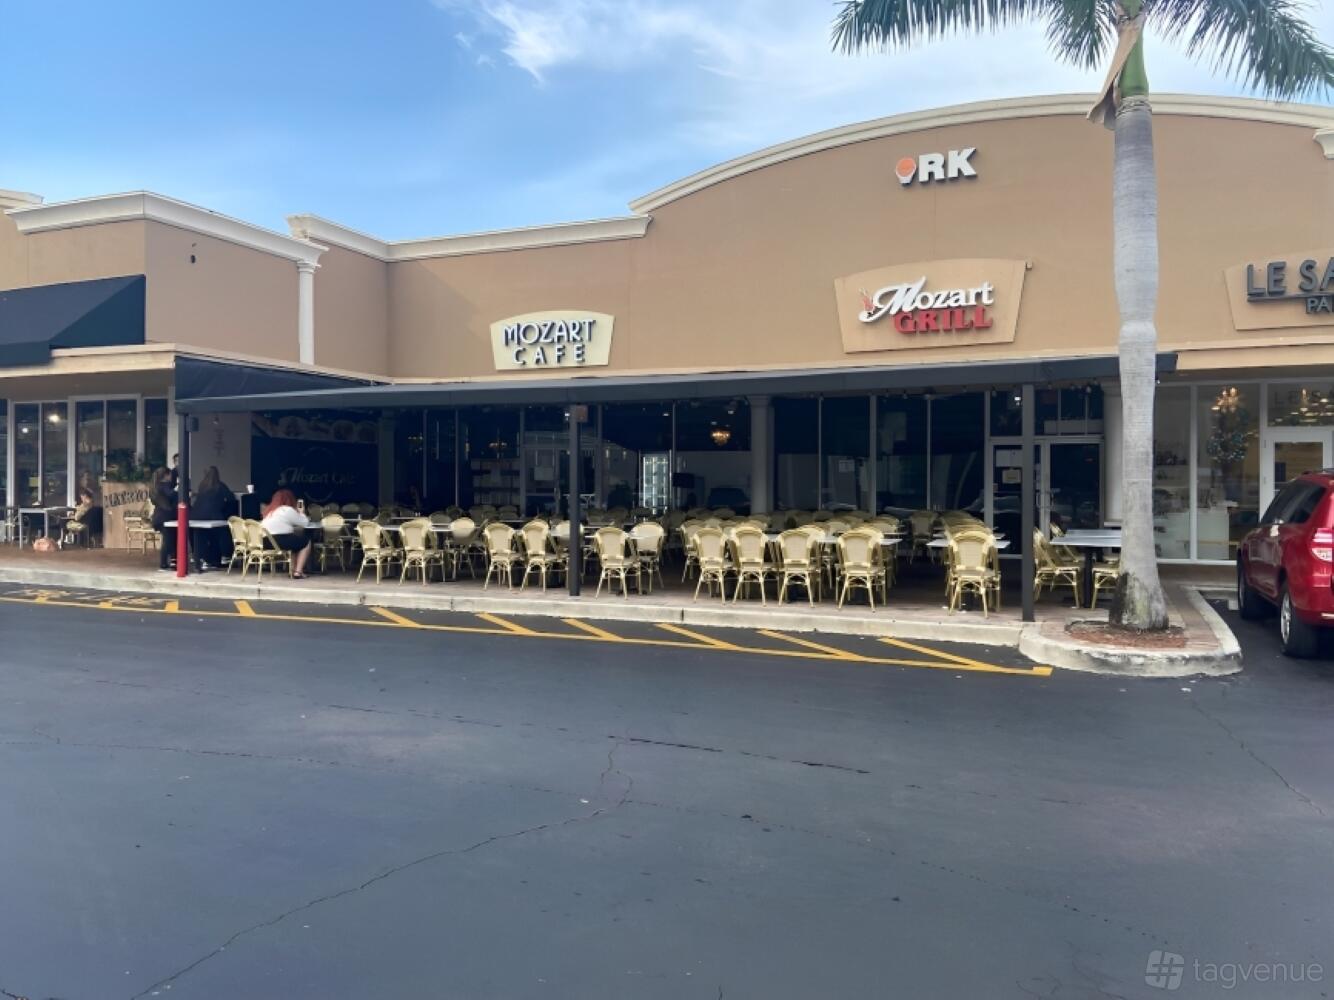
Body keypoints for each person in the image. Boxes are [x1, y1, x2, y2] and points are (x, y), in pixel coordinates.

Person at [261, 488, 312, 578]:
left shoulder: (270, 511)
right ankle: (298, 572)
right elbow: (304, 523)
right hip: (279, 540)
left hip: (265, 541)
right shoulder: (287, 510)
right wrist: (301, 513)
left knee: (294, 542)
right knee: (306, 542)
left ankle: (292, 570)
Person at [191, 466, 232, 570]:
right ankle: (217, 559)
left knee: (202, 537)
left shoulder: (202, 485)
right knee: (217, 537)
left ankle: (204, 559)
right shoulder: (220, 486)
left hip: (198, 515)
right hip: (213, 515)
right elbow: (231, 497)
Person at [150, 467, 177, 571]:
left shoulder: (155, 487)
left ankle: (167, 562)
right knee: (168, 541)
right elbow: (171, 494)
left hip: (159, 517)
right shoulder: (164, 486)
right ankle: (163, 564)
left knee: (168, 540)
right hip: (165, 517)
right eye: (170, 474)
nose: (171, 477)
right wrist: (178, 489)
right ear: (166, 475)